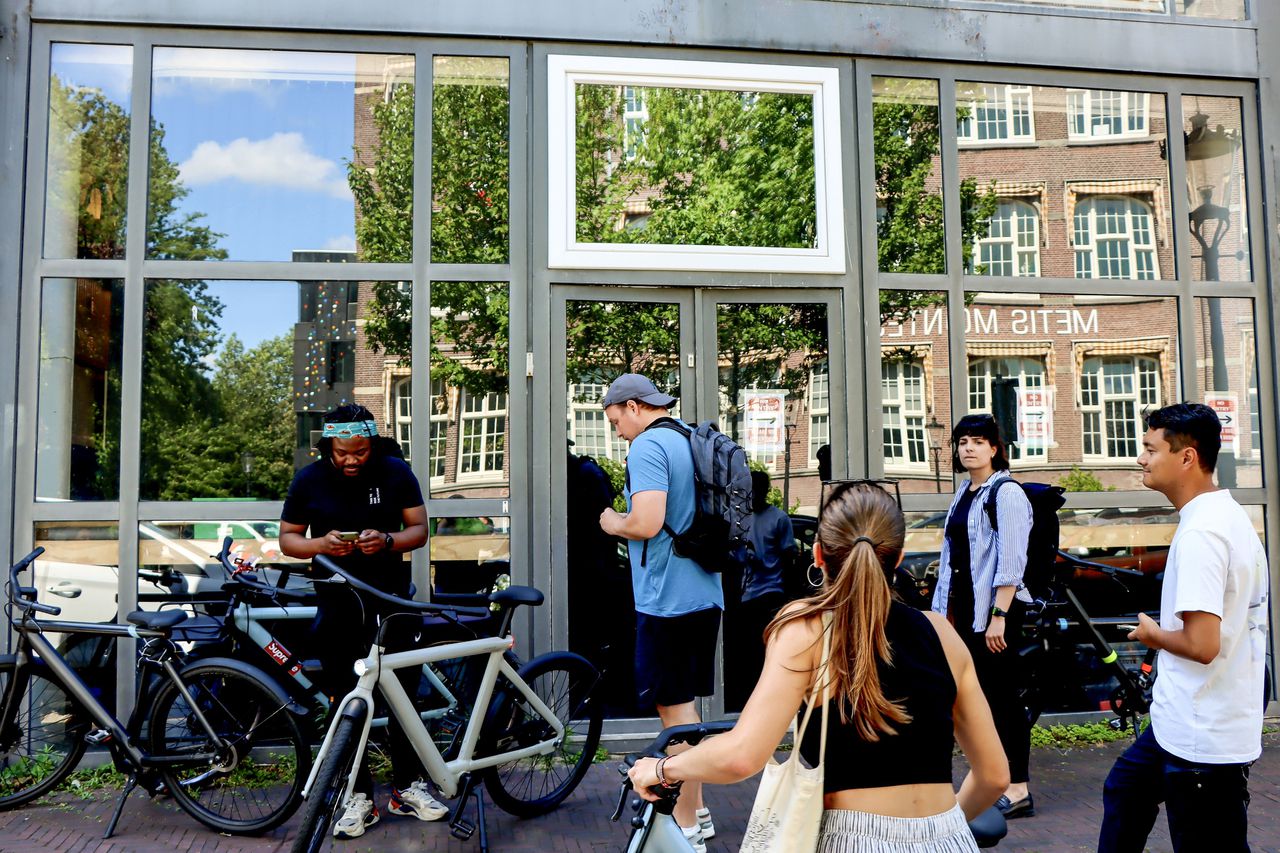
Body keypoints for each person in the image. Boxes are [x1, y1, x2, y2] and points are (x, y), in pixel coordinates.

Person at [628, 481, 1008, 851]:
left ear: (818, 555)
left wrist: (660, 770)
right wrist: (942, 829)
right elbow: (994, 776)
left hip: (850, 837)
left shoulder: (804, 628)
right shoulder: (942, 633)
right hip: (947, 835)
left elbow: (742, 755)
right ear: (899, 557)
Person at [1098, 402, 1268, 853]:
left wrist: (1153, 636)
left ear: (1187, 457)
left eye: (1151, 449)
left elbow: (1202, 643)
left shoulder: (1202, 534)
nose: (1141, 459)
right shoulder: (1227, 516)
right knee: (1125, 792)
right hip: (1186, 721)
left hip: (1201, 736)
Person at [279, 404, 444, 840]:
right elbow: (287, 538)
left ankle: (407, 788)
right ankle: (358, 794)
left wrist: (387, 540)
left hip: (393, 601)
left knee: (404, 696)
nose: (351, 460)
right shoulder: (309, 479)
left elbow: (419, 529)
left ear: (372, 444)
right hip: (337, 604)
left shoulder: (394, 471)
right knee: (346, 702)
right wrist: (321, 544)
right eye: (342, 452)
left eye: (360, 451)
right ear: (327, 446)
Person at [597, 373, 723, 852]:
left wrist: (611, 522)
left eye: (615, 421)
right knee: (684, 708)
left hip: (667, 600)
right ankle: (703, 812)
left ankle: (687, 826)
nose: (617, 432)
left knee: (676, 717)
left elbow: (646, 522)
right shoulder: (691, 437)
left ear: (633, 406)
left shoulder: (649, 447)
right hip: (703, 593)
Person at [930, 413, 1036, 819]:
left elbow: (1012, 560)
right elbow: (953, 556)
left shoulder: (1006, 493)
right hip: (963, 613)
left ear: (995, 448)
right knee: (976, 701)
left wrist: (999, 616)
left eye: (977, 441)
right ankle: (990, 779)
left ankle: (1018, 787)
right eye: (962, 442)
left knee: (1003, 701)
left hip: (994, 616)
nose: (968, 448)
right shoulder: (965, 491)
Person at [725, 469, 796, 710]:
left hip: (769, 594)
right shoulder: (739, 519)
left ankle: (765, 700)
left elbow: (789, 558)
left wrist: (786, 597)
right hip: (743, 596)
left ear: (765, 492)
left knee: (763, 651)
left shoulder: (778, 519)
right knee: (746, 652)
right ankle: (748, 698)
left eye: (757, 491)